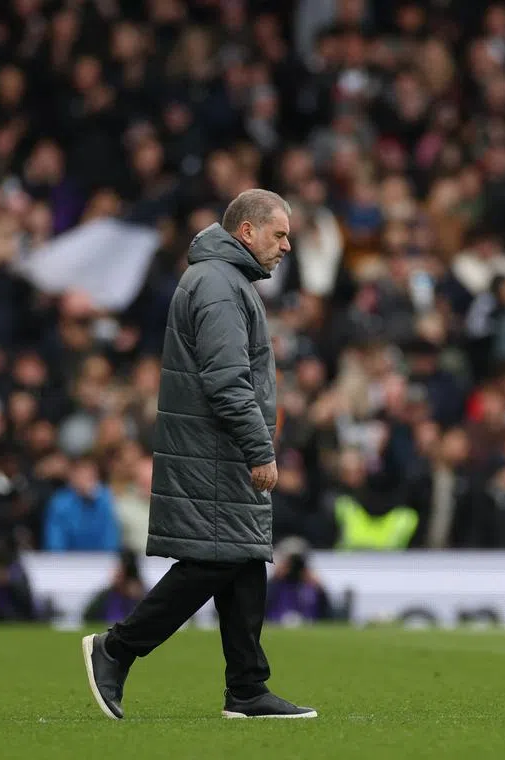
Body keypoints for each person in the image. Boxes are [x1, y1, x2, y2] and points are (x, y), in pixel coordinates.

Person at [82, 189, 316, 720]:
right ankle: (116, 649)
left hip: (218, 448)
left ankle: (248, 689)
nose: (286, 245)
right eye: (278, 234)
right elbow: (227, 380)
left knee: (242, 557)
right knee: (213, 561)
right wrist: (259, 447)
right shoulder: (217, 283)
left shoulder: (226, 281)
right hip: (216, 450)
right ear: (247, 232)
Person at [83, 549, 147, 625]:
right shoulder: (106, 596)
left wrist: (137, 598)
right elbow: (88, 616)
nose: (115, 573)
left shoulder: (142, 596)